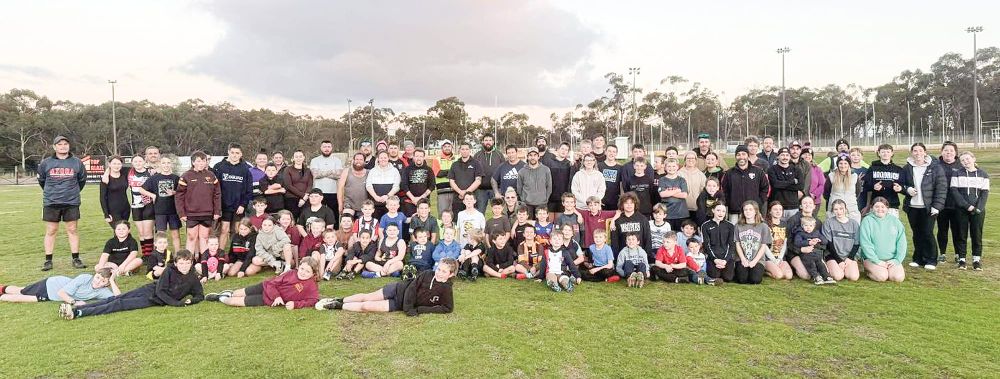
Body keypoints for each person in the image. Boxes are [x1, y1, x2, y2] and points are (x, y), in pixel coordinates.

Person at [60, 249, 203, 320]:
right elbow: (160, 292)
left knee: (119, 304)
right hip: (150, 292)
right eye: (181, 263)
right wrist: (177, 304)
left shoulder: (193, 277)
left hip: (152, 301)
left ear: (191, 263)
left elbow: (200, 294)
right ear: (176, 263)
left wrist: (192, 300)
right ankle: (78, 306)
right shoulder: (169, 271)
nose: (184, 266)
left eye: (187, 263)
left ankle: (78, 312)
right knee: (116, 299)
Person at [321, 258, 456, 316]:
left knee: (366, 306)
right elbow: (412, 288)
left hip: (398, 305)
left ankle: (336, 306)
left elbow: (447, 308)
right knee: (367, 297)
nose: (439, 273)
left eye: (444, 271)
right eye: (439, 269)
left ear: (450, 275)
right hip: (398, 289)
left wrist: (420, 309)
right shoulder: (427, 274)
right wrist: (409, 309)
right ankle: (339, 299)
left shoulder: (446, 289)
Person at [38, 136, 88, 271]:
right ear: (54, 147)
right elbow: (42, 181)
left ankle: (76, 258)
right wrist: (52, 193)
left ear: (69, 146)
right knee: (51, 230)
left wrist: (72, 193)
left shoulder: (77, 162)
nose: (63, 146)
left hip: (71, 202)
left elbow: (81, 180)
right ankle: (48, 260)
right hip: (51, 202)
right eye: (60, 144)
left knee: (72, 230)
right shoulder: (46, 163)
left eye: (65, 144)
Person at [900, 143, 948, 270]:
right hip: (913, 207)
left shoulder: (935, 168)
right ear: (911, 153)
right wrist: (907, 189)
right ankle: (918, 258)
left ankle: (931, 260)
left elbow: (941, 188)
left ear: (925, 152)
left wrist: (936, 206)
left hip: (929, 207)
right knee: (917, 233)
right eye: (915, 151)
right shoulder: (907, 168)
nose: (918, 153)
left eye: (920, 150)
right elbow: (901, 185)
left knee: (927, 232)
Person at [208, 257, 320, 310]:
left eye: (308, 271)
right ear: (298, 267)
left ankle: (220, 298)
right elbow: (272, 284)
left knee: (233, 302)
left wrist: (295, 305)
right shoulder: (290, 273)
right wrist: (277, 297)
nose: (303, 273)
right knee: (237, 293)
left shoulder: (311, 286)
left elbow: (313, 300)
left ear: (313, 274)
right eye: (302, 269)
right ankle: (225, 294)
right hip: (265, 287)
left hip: (267, 299)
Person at [175, 151, 221, 254]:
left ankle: (203, 262)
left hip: (207, 212)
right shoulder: (186, 176)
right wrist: (181, 213)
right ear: (193, 162)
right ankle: (189, 261)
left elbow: (217, 195)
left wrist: (217, 211)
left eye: (203, 161)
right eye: (198, 161)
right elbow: (179, 196)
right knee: (192, 237)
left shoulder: (211, 175)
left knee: (204, 237)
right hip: (191, 213)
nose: (201, 163)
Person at [950, 151, 989, 271]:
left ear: (973, 158)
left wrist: (978, 208)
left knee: (976, 235)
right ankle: (962, 259)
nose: (965, 162)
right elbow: (954, 192)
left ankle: (976, 260)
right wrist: (967, 206)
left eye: (967, 159)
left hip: (977, 211)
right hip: (961, 210)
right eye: (962, 160)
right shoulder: (957, 174)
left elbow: (984, 193)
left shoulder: (983, 174)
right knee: (961, 234)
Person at [213, 143, 254, 250]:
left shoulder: (245, 169)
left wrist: (243, 205)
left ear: (241, 154)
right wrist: (218, 205)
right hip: (225, 206)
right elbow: (216, 189)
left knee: (237, 230)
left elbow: (249, 190)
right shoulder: (220, 167)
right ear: (228, 153)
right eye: (232, 153)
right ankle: (221, 252)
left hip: (238, 207)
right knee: (224, 230)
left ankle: (235, 252)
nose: (234, 155)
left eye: (237, 153)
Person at [1, 268, 118, 304]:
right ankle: (2, 288)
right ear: (95, 274)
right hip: (50, 285)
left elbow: (119, 298)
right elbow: (61, 293)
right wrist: (74, 302)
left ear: (106, 284)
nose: (98, 282)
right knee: (21, 292)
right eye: (97, 277)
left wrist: (112, 281)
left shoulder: (102, 291)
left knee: (25, 295)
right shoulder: (85, 278)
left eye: (103, 281)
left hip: (53, 295)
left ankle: (2, 291)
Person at [859, 197, 907, 282]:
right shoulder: (867, 221)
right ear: (872, 208)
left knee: (897, 278)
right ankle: (869, 270)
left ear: (887, 208)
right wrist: (877, 261)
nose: (880, 209)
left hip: (891, 259)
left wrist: (897, 260)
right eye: (876, 207)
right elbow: (865, 244)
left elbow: (902, 243)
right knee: (882, 277)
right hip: (872, 259)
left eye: (883, 207)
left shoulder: (895, 221)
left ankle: (888, 269)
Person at [722, 145, 770, 224]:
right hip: (734, 212)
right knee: (735, 235)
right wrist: (730, 203)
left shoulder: (758, 171)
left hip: (752, 212)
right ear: (735, 157)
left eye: (743, 154)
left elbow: (766, 188)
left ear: (748, 155)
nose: (741, 157)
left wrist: (758, 203)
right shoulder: (729, 173)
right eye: (738, 154)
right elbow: (724, 190)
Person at [733, 201, 771, 285]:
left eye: (750, 209)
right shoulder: (738, 226)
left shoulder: (763, 226)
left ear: (755, 211)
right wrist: (743, 259)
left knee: (755, 280)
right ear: (743, 212)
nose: (748, 211)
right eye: (745, 209)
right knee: (742, 280)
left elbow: (763, 246)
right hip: (742, 258)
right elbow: (737, 244)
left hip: (757, 259)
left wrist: (754, 261)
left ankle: (760, 270)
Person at [936, 141, 961, 264]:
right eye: (946, 150)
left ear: (955, 153)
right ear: (942, 151)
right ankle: (942, 253)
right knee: (942, 230)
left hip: (957, 205)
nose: (948, 152)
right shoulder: (936, 164)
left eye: (951, 150)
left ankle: (958, 254)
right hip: (941, 204)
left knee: (957, 230)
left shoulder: (961, 164)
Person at [823, 199, 861, 281]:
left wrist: (850, 258)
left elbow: (857, 244)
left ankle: (844, 268)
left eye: (841, 209)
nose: (839, 212)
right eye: (835, 209)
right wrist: (839, 261)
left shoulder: (854, 224)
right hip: (833, 256)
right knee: (838, 276)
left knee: (853, 277)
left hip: (848, 256)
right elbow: (828, 244)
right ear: (832, 210)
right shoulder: (828, 223)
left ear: (845, 209)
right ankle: (829, 266)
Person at [126, 155, 156, 258]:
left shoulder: (151, 172)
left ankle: (150, 255)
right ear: (132, 163)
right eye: (135, 161)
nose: (138, 163)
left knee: (148, 232)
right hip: (135, 206)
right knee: (141, 232)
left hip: (148, 204)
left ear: (144, 161)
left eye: (140, 161)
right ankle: (145, 254)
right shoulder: (129, 172)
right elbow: (113, 168)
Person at [785, 195, 821, 280]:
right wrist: (800, 250)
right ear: (801, 206)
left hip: (811, 251)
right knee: (806, 276)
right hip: (795, 252)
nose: (807, 205)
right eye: (805, 203)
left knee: (821, 271)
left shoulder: (818, 222)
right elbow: (788, 242)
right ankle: (793, 266)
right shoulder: (793, 220)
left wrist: (813, 247)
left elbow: (821, 240)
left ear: (814, 206)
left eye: (810, 203)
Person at [310, 140, 344, 225]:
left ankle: (334, 234)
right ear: (321, 148)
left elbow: (338, 175)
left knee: (333, 215)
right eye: (324, 147)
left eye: (328, 147)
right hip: (318, 193)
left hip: (333, 192)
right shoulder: (315, 160)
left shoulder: (337, 160)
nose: (326, 149)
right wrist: (332, 171)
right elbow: (315, 174)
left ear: (331, 148)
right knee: (319, 215)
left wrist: (322, 172)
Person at [864, 144, 905, 216]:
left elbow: (903, 187)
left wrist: (900, 188)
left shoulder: (898, 169)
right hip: (876, 204)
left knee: (892, 227)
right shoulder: (872, 168)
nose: (885, 154)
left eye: (888, 152)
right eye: (883, 152)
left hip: (892, 205)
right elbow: (866, 186)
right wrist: (873, 187)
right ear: (879, 153)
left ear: (892, 153)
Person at [794, 217, 836, 285]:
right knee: (811, 265)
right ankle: (816, 277)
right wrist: (808, 242)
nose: (808, 227)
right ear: (802, 226)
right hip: (806, 254)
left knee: (821, 264)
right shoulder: (800, 233)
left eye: (811, 226)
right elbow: (797, 242)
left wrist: (820, 240)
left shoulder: (816, 233)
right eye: (806, 225)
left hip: (817, 254)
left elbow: (825, 241)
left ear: (814, 226)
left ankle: (827, 277)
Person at [701, 203, 735, 284]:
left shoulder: (730, 226)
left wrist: (725, 260)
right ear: (713, 211)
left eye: (723, 211)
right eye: (718, 210)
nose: (721, 213)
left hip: (726, 258)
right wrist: (715, 259)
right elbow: (706, 245)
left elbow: (731, 245)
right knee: (714, 275)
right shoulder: (705, 225)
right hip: (713, 257)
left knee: (728, 278)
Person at [610, 193, 652, 259]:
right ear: (622, 205)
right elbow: (615, 241)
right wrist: (616, 258)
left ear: (635, 204)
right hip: (624, 256)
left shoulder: (642, 219)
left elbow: (647, 238)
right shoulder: (617, 220)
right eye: (626, 203)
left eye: (631, 203)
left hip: (640, 256)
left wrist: (647, 256)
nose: (629, 205)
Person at [767, 147, 803, 220]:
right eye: (782, 155)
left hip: (793, 206)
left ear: (790, 157)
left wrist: (781, 184)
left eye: (787, 155)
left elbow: (800, 186)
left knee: (792, 230)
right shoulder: (772, 169)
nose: (785, 157)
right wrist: (792, 182)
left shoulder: (796, 170)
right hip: (777, 206)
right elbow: (775, 184)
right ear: (778, 156)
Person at [447, 143, 484, 214]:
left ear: (470, 150)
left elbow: (478, 181)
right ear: (459, 151)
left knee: (472, 221)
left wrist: (466, 193)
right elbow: (451, 181)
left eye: (467, 149)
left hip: (472, 198)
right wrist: (460, 192)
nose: (464, 151)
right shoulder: (455, 164)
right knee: (457, 220)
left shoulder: (476, 163)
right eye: (462, 149)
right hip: (458, 198)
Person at [825, 154, 862, 222]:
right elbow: (826, 193)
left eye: (845, 163)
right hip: (835, 208)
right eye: (840, 163)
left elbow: (857, 192)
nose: (843, 165)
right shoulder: (831, 176)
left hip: (851, 208)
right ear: (837, 164)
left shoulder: (854, 176)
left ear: (849, 165)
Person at [516, 150, 552, 218]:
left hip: (542, 204)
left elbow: (549, 186)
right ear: (527, 157)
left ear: (538, 157)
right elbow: (519, 188)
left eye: (535, 155)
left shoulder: (546, 170)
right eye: (530, 155)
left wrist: (545, 199)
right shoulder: (522, 171)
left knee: (541, 225)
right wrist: (524, 199)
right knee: (528, 226)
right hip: (527, 204)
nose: (533, 157)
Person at [367, 151, 402, 220]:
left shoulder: (394, 171)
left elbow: (396, 186)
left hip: (390, 205)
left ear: (388, 158)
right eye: (381, 158)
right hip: (375, 203)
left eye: (385, 158)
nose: (383, 159)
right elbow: (368, 185)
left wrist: (387, 196)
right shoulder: (372, 171)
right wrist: (375, 197)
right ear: (378, 159)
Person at [763, 202, 793, 280]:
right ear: (770, 211)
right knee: (779, 275)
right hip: (768, 257)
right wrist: (773, 259)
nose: (778, 211)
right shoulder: (765, 224)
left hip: (780, 257)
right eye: (775, 209)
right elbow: (764, 246)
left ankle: (775, 269)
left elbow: (784, 243)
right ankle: (764, 270)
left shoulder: (784, 224)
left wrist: (780, 258)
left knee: (788, 276)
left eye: (780, 209)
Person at [400, 149, 435, 217]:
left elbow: (432, 186)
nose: (418, 158)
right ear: (413, 157)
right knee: (410, 223)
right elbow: (404, 185)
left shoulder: (429, 170)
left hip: (424, 202)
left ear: (424, 157)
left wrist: (421, 198)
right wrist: (413, 198)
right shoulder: (407, 169)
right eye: (417, 156)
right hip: (410, 202)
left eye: (421, 156)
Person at [281, 150, 314, 220]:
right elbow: (288, 185)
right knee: (292, 220)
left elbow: (310, 184)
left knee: (306, 219)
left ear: (303, 158)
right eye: (296, 157)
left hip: (305, 199)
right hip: (291, 198)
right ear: (293, 158)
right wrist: (302, 196)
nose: (298, 158)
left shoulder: (308, 170)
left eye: (300, 156)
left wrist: (305, 197)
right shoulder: (288, 169)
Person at [474, 135, 503, 213]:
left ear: (493, 142)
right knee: (479, 212)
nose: (488, 142)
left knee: (499, 212)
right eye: (486, 140)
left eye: (490, 140)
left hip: (496, 189)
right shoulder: (477, 155)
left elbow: (503, 171)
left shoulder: (499, 155)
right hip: (480, 190)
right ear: (482, 142)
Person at [657, 158, 689, 230]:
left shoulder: (681, 180)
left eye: (674, 166)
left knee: (680, 236)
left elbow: (684, 195)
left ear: (677, 167)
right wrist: (677, 191)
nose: (671, 168)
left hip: (681, 214)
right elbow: (662, 194)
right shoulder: (662, 180)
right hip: (667, 214)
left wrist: (668, 193)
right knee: (669, 236)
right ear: (665, 167)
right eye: (669, 166)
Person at [543, 142, 574, 214]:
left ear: (568, 152)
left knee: (560, 221)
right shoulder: (550, 163)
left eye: (566, 150)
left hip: (563, 199)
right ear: (558, 150)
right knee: (549, 220)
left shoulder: (569, 164)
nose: (564, 151)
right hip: (550, 198)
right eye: (562, 149)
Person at [100, 156, 130, 228]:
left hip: (126, 208)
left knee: (124, 230)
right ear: (109, 164)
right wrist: (106, 214)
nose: (116, 166)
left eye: (119, 164)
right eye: (114, 163)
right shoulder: (105, 179)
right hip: (113, 210)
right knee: (119, 230)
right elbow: (102, 197)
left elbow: (138, 167)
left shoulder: (124, 173)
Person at [337, 153, 369, 217]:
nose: (358, 161)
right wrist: (340, 204)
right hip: (348, 204)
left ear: (364, 161)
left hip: (364, 205)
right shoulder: (346, 171)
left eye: (361, 159)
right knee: (346, 222)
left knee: (361, 225)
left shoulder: (369, 172)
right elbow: (340, 188)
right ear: (353, 160)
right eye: (356, 159)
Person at [678, 151, 707, 220]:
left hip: (696, 208)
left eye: (693, 158)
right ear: (685, 160)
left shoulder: (701, 175)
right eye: (688, 158)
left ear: (696, 160)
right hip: (682, 208)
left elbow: (703, 191)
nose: (690, 160)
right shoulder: (679, 174)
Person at [430, 140, 457, 215]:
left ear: (452, 147)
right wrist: (452, 172)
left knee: (454, 214)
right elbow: (438, 173)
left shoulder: (457, 158)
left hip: (455, 191)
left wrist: (445, 172)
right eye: (445, 146)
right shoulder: (437, 159)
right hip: (442, 191)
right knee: (442, 214)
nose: (447, 148)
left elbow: (458, 172)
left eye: (449, 146)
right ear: (442, 148)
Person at [597, 144, 623, 211]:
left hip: (615, 201)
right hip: (601, 200)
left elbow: (621, 185)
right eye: (609, 151)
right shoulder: (599, 166)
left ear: (616, 154)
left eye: (614, 152)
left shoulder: (620, 168)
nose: (611, 153)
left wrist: (622, 199)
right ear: (605, 152)